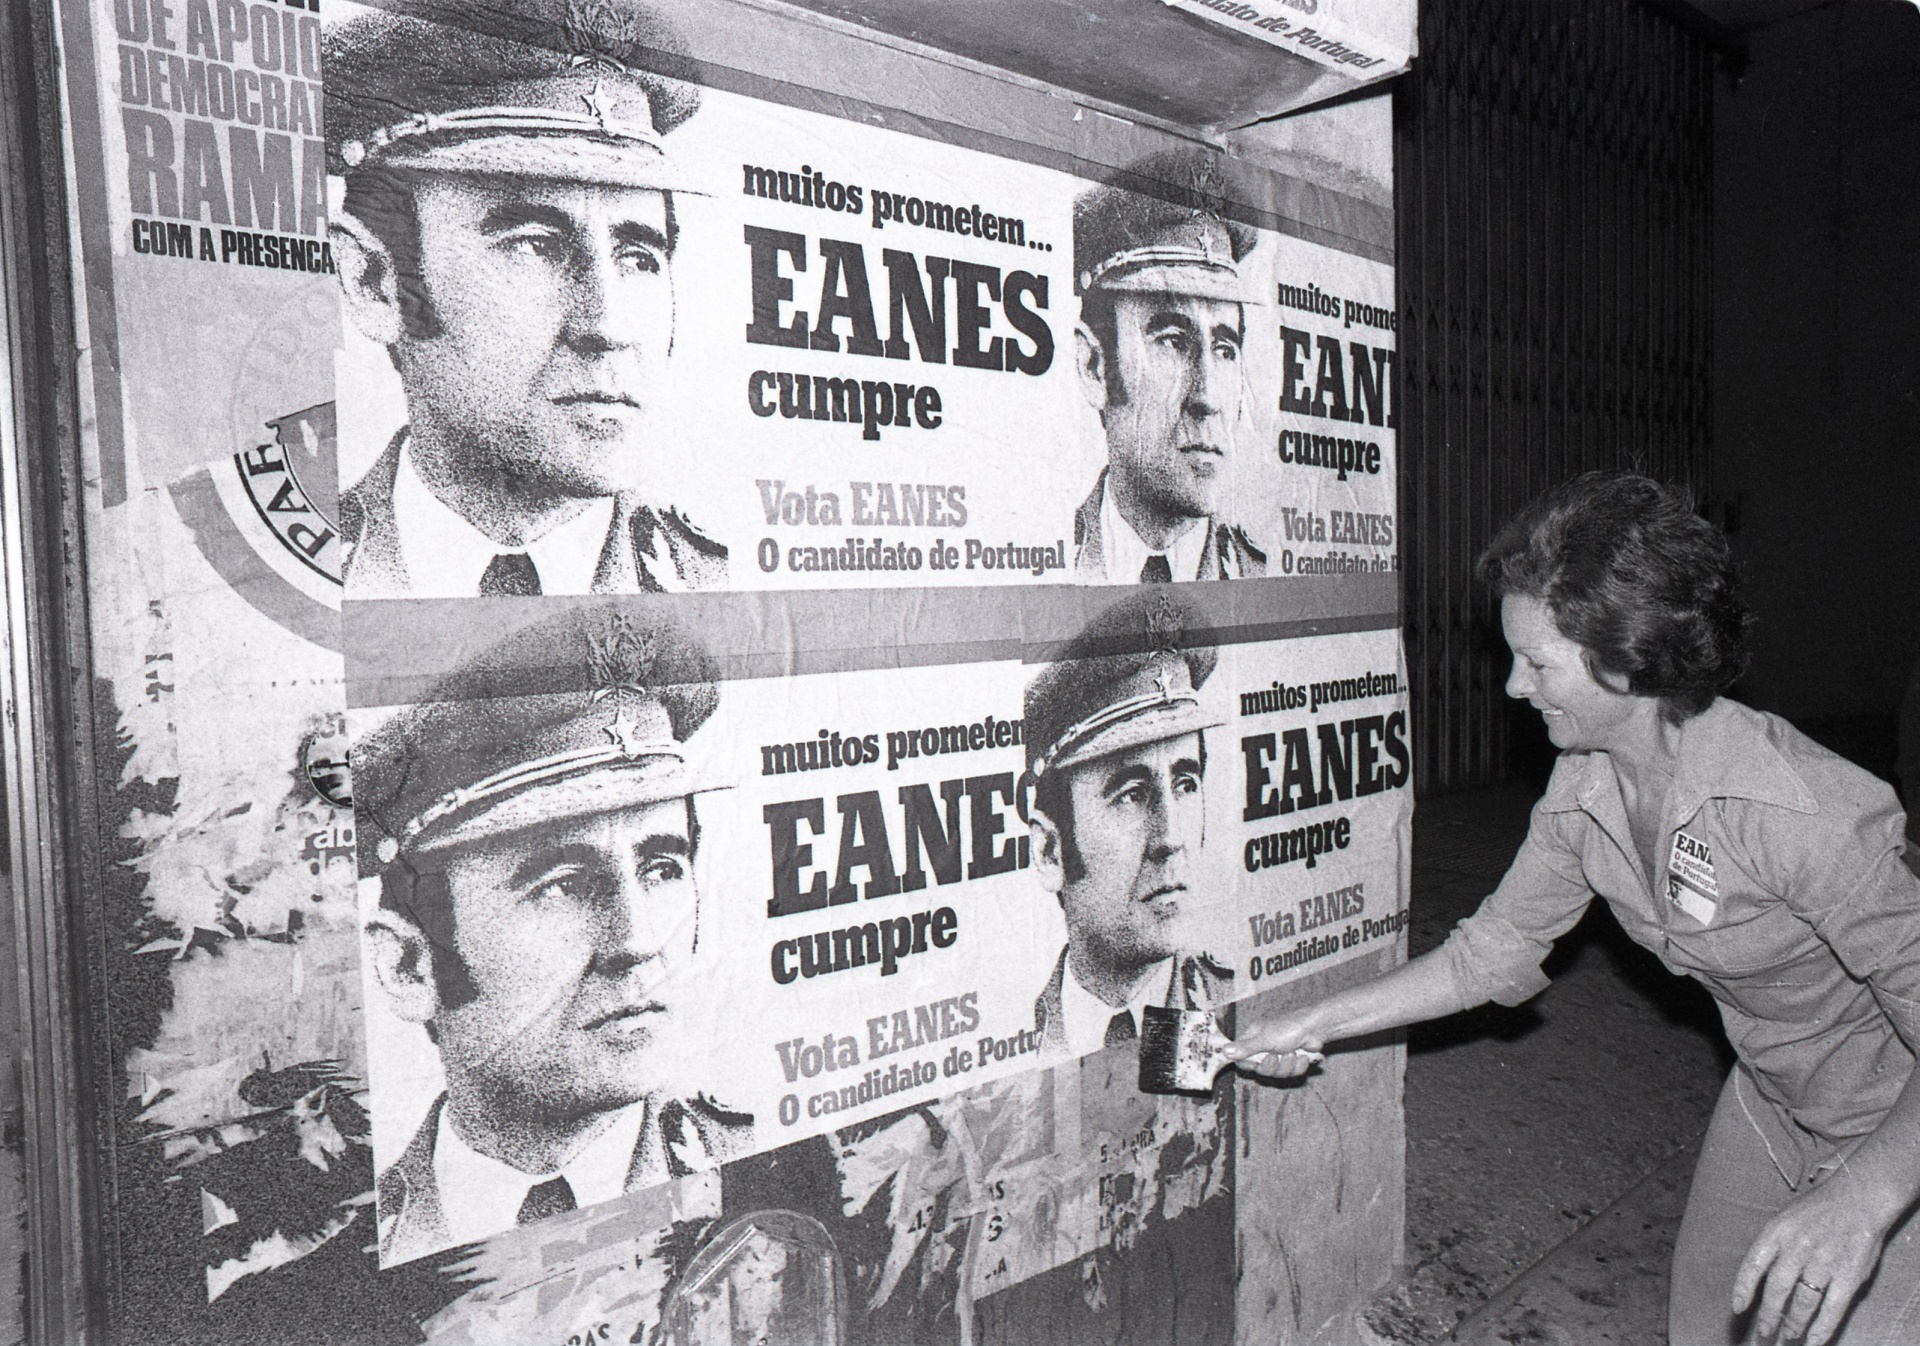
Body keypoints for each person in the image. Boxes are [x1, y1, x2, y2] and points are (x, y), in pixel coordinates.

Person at [1225, 472, 1920, 1346]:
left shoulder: (1803, 814)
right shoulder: (1585, 783)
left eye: (1538, 662)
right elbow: (1492, 951)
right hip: (1773, 1095)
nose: (1514, 686)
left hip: (1896, 1127)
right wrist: (1314, 1022)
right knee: (1709, 1327)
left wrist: (1863, 1198)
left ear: (1626, 661)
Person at [354, 607, 751, 1264]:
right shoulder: (331, 1263)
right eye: (563, 884)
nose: (639, 940)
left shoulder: (776, 1171)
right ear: (410, 967)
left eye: (660, 869)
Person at [323, 10, 727, 598]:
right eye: (534, 246)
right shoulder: (293, 576)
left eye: (638, 257)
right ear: (374, 282)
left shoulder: (715, 585)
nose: (608, 326)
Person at [1024, 589, 1233, 1059]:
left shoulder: (1237, 1009)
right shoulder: (1010, 1039)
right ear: (1050, 852)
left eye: (1185, 783)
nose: (1171, 838)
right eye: (1132, 795)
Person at [1070, 152, 1266, 585]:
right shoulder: (1048, 562)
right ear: (1094, 366)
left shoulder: (1259, 578)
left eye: (1225, 349)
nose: (1208, 398)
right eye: (1173, 342)